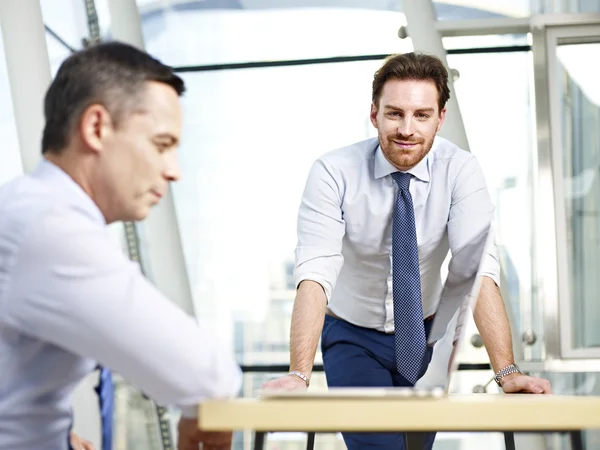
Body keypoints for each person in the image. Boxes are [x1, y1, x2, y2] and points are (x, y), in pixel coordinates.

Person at [262, 52, 552, 449]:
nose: (407, 129)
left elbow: (478, 270)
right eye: (395, 113)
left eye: (421, 115)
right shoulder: (333, 172)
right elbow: (315, 272)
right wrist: (299, 373)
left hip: (424, 336)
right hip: (352, 335)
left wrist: (507, 371)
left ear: (440, 117)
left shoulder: (460, 170)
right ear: (374, 114)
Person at [0, 41, 241, 450]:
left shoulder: (26, 209)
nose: (174, 172)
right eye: (162, 145)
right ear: (96, 128)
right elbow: (208, 378)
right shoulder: (50, 228)